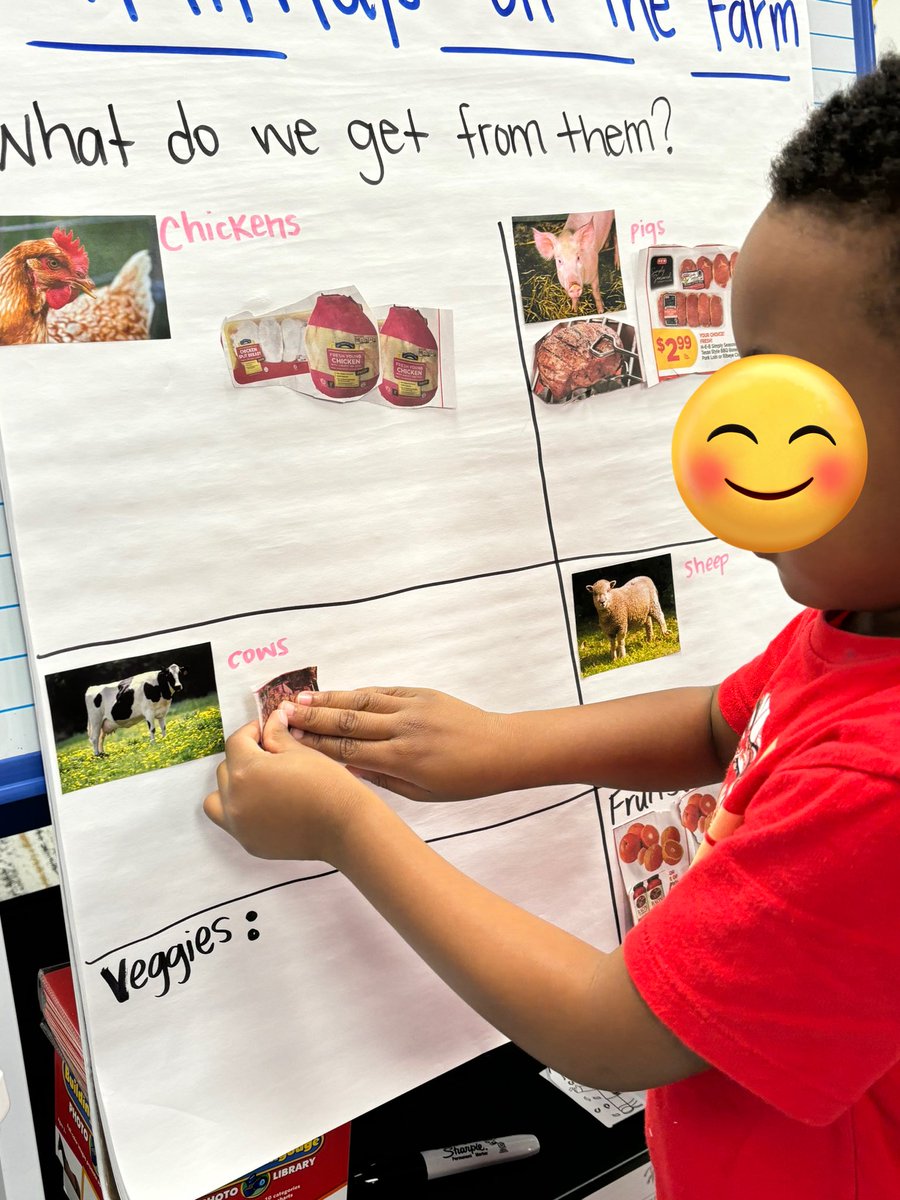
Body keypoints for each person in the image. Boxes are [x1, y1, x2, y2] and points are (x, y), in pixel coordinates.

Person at [204, 58, 900, 1200]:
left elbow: (611, 1030)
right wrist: (499, 746)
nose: (725, 459)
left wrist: (346, 827)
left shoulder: (885, 780)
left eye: (792, 412)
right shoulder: (859, 624)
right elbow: (727, 724)